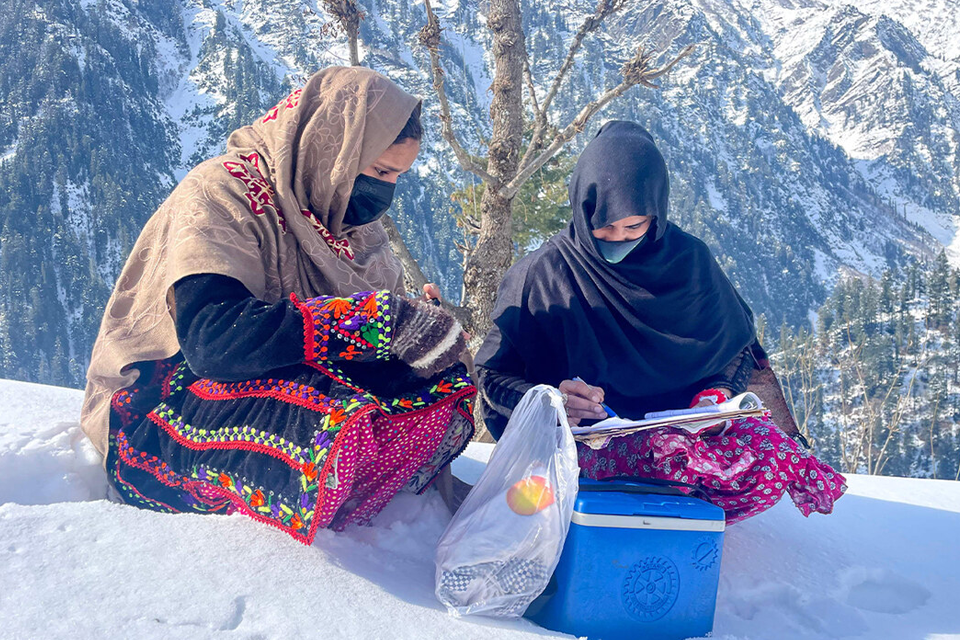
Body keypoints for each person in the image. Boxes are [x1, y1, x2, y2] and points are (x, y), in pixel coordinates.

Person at [81, 67, 476, 544]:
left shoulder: (350, 228)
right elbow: (213, 340)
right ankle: (326, 487)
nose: (386, 192)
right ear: (336, 150)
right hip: (171, 401)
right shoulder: (223, 193)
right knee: (326, 418)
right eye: (380, 172)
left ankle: (354, 484)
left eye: (398, 177)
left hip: (282, 379)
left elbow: (375, 328)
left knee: (440, 388)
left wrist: (417, 331)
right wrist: (374, 322)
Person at [475, 121, 844, 523]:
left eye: (634, 226)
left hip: (690, 436)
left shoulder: (689, 264)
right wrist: (552, 402)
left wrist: (716, 396)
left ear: (657, 212)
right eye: (603, 226)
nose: (617, 238)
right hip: (581, 445)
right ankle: (622, 513)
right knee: (657, 461)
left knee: (772, 455)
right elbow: (493, 376)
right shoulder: (543, 275)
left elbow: (734, 348)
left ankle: (665, 517)